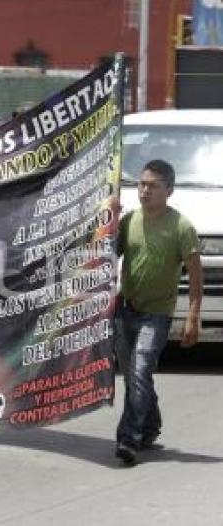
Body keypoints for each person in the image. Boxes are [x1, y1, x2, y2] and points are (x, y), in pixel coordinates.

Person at [114, 159, 202, 465]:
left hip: (158, 314)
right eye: (141, 184)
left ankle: (129, 438)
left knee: (139, 372)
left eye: (152, 186)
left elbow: (195, 273)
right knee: (133, 376)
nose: (144, 191)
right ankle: (150, 425)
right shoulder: (129, 222)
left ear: (169, 190)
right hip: (126, 309)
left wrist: (192, 316)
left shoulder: (181, 227)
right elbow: (106, 255)